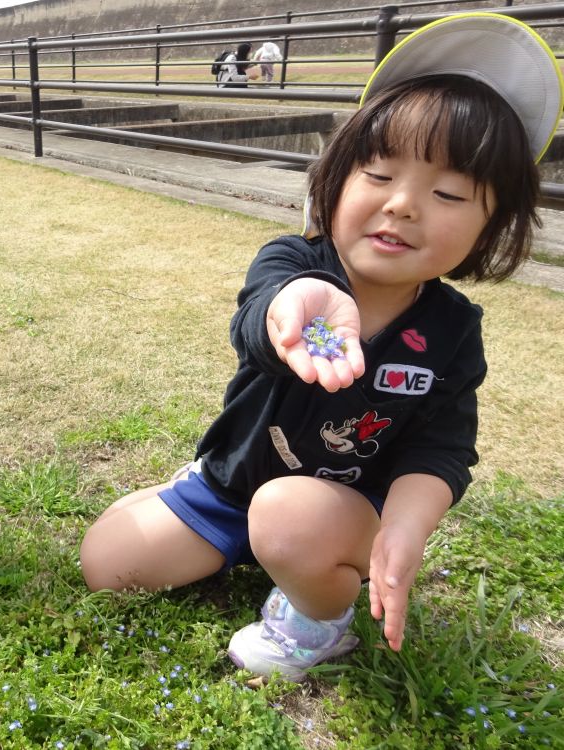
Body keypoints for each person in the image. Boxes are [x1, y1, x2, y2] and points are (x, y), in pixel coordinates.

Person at [81, 13, 561, 681]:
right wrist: (290, 308)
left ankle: (317, 623)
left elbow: (441, 448)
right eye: (379, 173)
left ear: (489, 229)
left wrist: (403, 527)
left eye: (448, 192)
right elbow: (256, 319)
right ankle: (217, 512)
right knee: (105, 565)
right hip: (235, 485)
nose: (403, 205)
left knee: (289, 514)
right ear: (336, 178)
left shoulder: (453, 331)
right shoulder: (293, 262)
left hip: (334, 517)